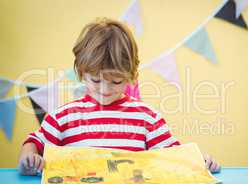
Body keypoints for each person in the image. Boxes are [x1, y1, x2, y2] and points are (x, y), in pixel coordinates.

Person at [18, 18, 221, 176]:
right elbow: (34, 142)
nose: (105, 90)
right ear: (81, 72)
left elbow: (174, 155)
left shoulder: (146, 118)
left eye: (116, 81)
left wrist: (199, 161)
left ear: (131, 76)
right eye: (96, 81)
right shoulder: (63, 117)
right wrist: (29, 158)